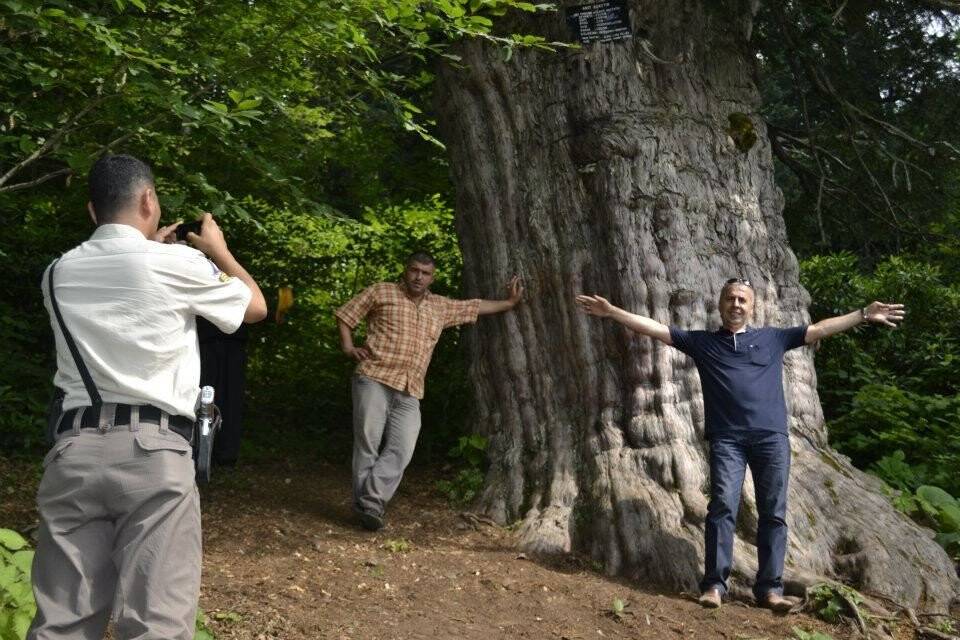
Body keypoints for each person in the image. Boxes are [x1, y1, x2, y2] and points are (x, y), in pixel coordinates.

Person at [30, 154, 267, 640]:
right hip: (154, 454)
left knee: (62, 623)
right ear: (149, 200)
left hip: (72, 453)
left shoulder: (57, 273)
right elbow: (256, 308)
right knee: (155, 622)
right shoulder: (178, 263)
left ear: (92, 211)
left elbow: (122, 286)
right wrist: (218, 251)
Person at [576, 279, 904, 612]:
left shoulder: (772, 339)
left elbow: (818, 329)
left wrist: (864, 314)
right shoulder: (703, 343)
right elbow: (657, 330)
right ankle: (715, 586)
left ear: (752, 307)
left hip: (771, 439)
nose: (736, 304)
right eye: (730, 298)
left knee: (773, 514)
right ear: (720, 305)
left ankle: (770, 590)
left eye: (742, 300)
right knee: (722, 508)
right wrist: (612, 311)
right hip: (727, 439)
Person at [335, 252, 523, 531]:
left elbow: (473, 306)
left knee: (402, 447)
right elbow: (346, 314)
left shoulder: (439, 306)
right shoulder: (382, 291)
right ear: (405, 270)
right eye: (414, 270)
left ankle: (369, 498)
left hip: (411, 389)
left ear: (432, 277)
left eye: (424, 273)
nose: (418, 277)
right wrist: (348, 346)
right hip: (374, 377)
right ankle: (368, 505)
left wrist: (508, 303)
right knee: (368, 443)